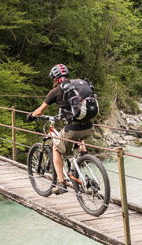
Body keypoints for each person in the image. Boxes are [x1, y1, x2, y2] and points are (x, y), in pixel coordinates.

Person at [26, 63, 93, 194]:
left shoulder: (55, 91)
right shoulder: (75, 86)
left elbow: (40, 111)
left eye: (53, 79)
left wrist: (30, 116)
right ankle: (83, 150)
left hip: (73, 130)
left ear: (56, 79)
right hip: (89, 126)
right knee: (74, 130)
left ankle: (61, 184)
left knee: (56, 148)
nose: (53, 82)